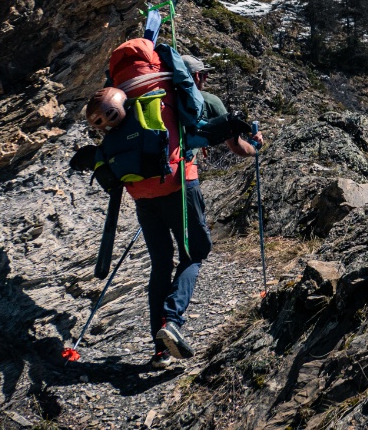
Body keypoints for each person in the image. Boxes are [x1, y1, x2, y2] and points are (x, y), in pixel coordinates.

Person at [82, 42, 263, 370]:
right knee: (196, 252)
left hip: (141, 193)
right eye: (202, 75)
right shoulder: (199, 99)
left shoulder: (132, 99)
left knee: (161, 264)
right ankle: (172, 322)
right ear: (190, 76)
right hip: (179, 184)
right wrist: (255, 146)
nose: (204, 81)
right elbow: (235, 145)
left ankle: (160, 351)